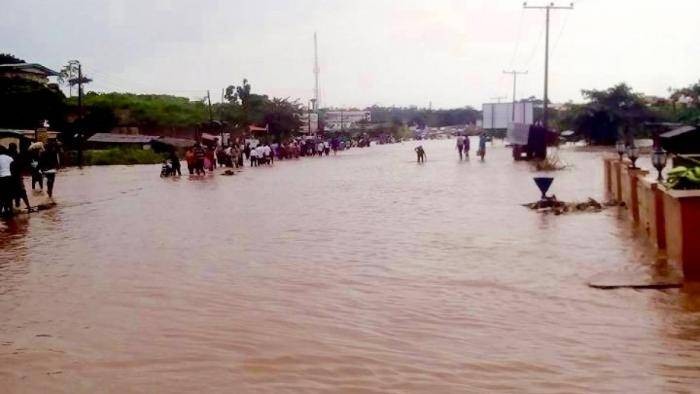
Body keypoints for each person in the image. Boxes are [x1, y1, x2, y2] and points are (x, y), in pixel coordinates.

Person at [8, 143, 30, 211]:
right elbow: (23, 166)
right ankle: (28, 206)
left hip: (9, 177)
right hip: (18, 176)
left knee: (10, 193)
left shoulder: (8, 155)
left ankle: (11, 208)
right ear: (15, 148)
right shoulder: (18, 156)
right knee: (22, 192)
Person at [0, 146, 15, 216]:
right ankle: (11, 210)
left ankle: (2, 211)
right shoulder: (10, 158)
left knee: (2, 195)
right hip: (10, 178)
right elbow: (13, 169)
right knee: (9, 195)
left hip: (1, 178)